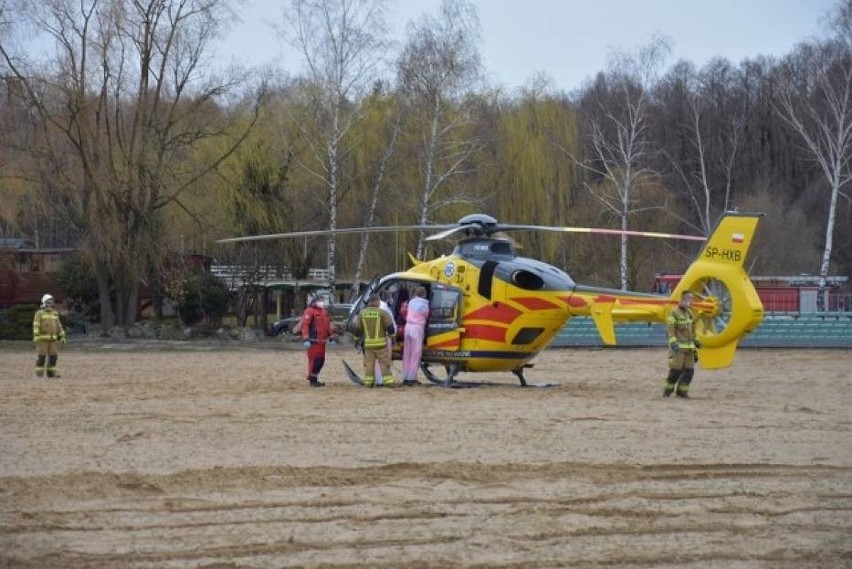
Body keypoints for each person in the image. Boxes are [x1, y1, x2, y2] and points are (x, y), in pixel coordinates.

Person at [663, 290, 701, 398]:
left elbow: (692, 330)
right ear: (683, 300)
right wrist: (673, 343)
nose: (691, 302)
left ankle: (682, 391)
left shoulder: (689, 313)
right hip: (678, 349)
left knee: (689, 372)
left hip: (689, 349)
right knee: (675, 371)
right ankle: (667, 390)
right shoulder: (674, 312)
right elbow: (670, 330)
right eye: (689, 299)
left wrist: (696, 341)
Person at [353, 293, 396, 387]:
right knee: (384, 363)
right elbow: (390, 328)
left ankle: (369, 383)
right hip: (381, 344)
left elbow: (357, 329)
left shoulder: (362, 313)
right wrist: (393, 338)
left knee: (369, 364)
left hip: (368, 345)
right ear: (377, 301)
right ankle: (388, 382)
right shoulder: (383, 313)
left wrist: (356, 340)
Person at [300, 295, 336, 387]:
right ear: (314, 302)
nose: (322, 302)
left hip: (322, 341)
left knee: (321, 361)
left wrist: (331, 336)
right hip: (313, 341)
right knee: (314, 361)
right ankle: (312, 380)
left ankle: (315, 378)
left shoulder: (324, 311)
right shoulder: (309, 311)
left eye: (322, 301)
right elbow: (305, 325)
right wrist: (306, 338)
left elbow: (327, 325)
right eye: (320, 301)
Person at [32, 293, 66, 379]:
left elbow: (59, 326)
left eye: (51, 302)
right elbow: (36, 324)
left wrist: (62, 336)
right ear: (44, 303)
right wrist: (36, 335)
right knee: (42, 357)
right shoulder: (39, 313)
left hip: (53, 340)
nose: (50, 304)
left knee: (53, 357)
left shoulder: (55, 314)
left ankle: (51, 374)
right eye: (48, 302)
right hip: (42, 339)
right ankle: (39, 375)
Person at [401, 286, 429, 385]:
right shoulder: (425, 304)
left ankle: (405, 376)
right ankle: (412, 378)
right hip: (417, 328)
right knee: (416, 354)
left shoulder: (411, 302)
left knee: (407, 353)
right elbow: (426, 315)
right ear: (424, 294)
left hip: (408, 327)